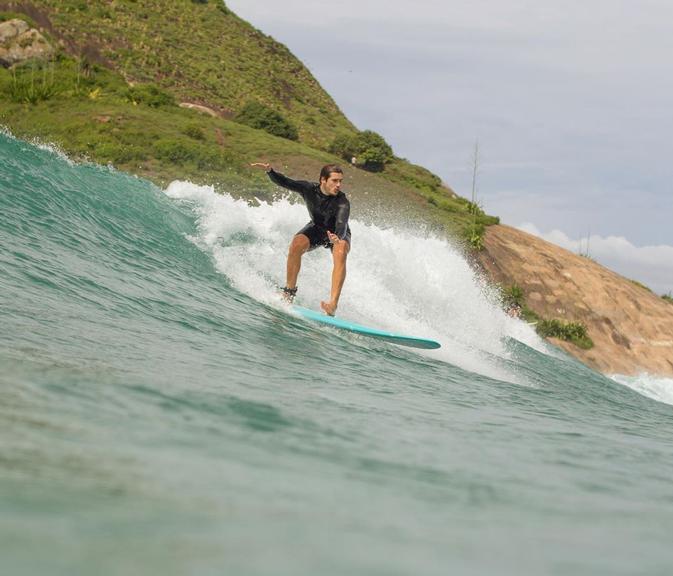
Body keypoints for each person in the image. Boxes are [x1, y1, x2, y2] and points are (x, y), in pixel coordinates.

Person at [250, 162, 351, 316]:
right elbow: (286, 182)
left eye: (340, 181)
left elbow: (342, 222)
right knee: (296, 244)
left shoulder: (342, 201)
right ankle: (289, 292)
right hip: (317, 228)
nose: (338, 185)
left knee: (341, 250)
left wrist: (337, 236)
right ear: (323, 180)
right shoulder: (309, 189)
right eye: (334, 181)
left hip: (337, 234)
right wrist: (270, 172)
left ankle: (332, 305)